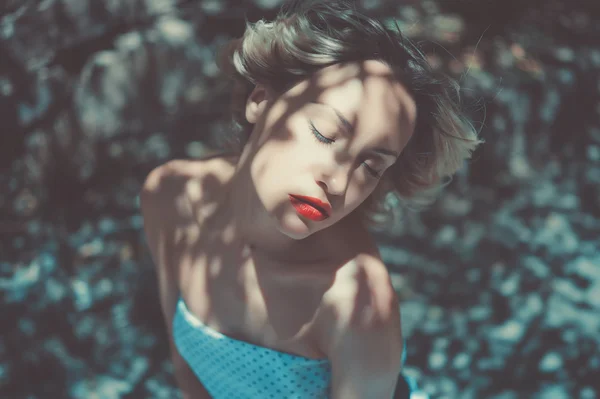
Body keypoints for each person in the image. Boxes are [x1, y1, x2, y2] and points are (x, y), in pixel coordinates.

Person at [140, 0, 483, 398]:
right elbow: (186, 373)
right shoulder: (170, 196)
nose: (337, 181)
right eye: (324, 134)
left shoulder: (357, 303)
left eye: (371, 167)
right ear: (261, 100)